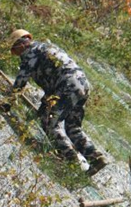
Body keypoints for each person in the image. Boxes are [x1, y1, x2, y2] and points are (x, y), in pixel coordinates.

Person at [8, 29, 107, 175]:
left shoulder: (30, 53)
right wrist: (45, 104)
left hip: (67, 85)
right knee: (73, 127)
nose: (16, 55)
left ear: (20, 45)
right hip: (82, 84)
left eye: (15, 51)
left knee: (50, 122)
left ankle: (71, 160)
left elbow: (21, 80)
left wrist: (8, 102)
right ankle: (96, 158)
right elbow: (52, 79)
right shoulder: (45, 47)